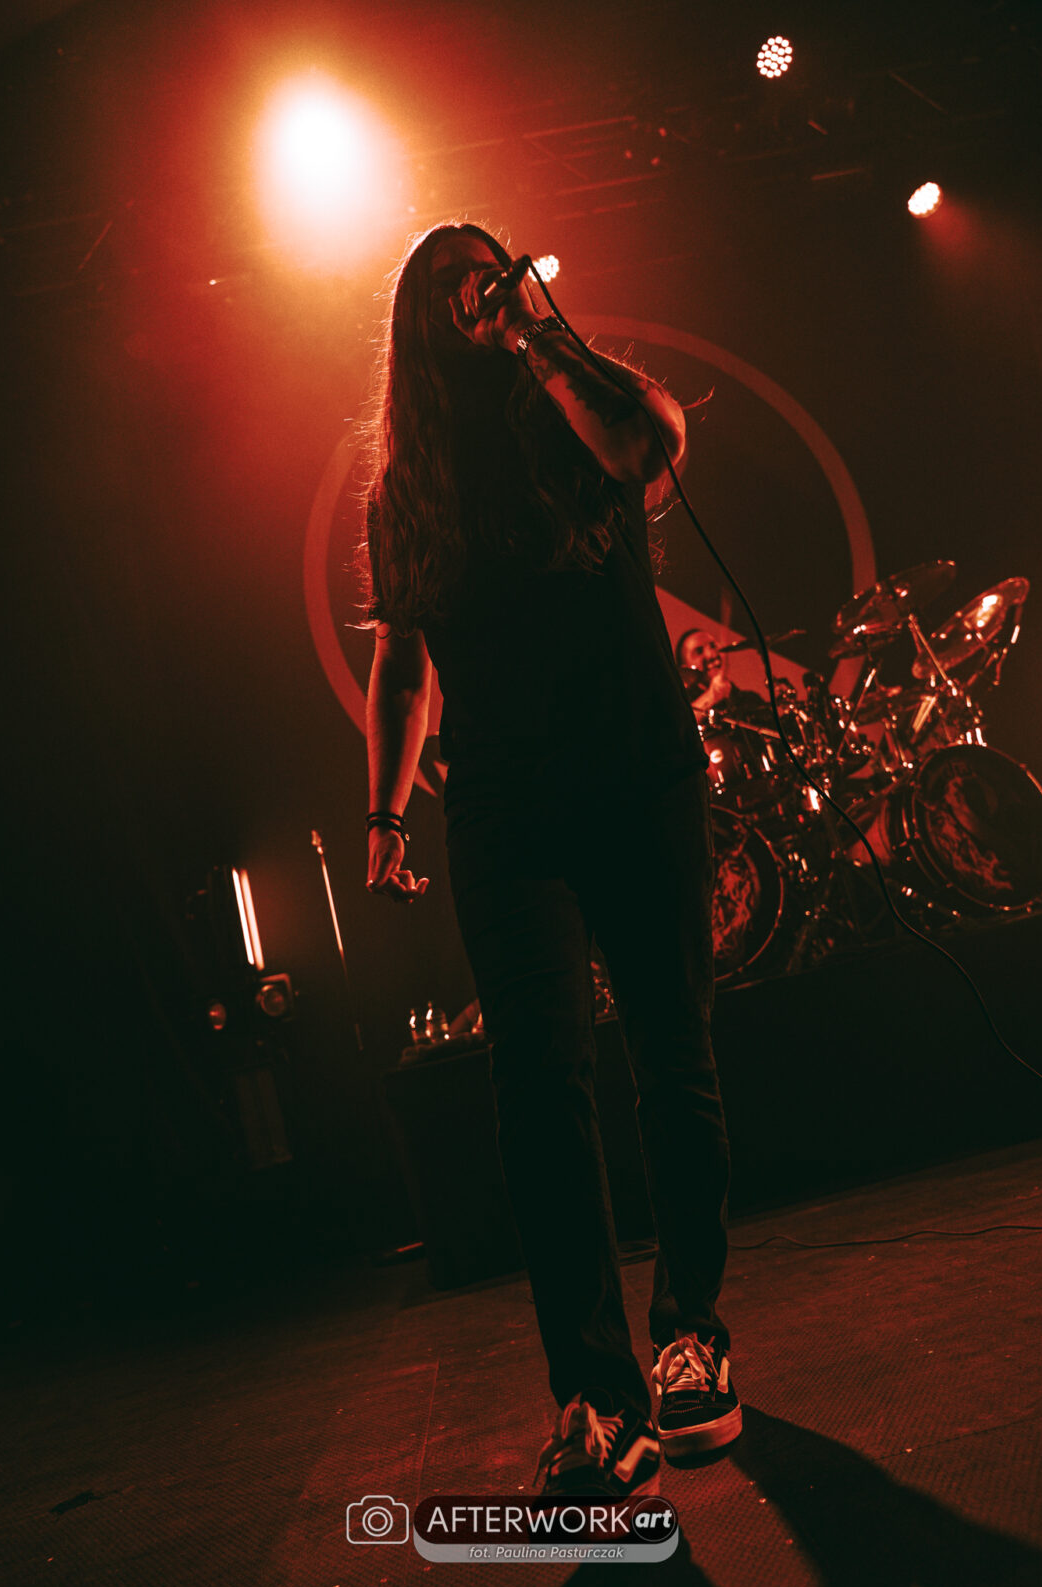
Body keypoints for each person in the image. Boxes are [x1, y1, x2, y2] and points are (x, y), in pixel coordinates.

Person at [360, 222, 741, 1503]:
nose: (477, 289)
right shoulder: (406, 488)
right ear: (418, 328)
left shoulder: (574, 411)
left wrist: (536, 335)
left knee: (672, 1054)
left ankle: (691, 1335)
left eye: (490, 266)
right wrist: (384, 813)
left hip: (637, 774)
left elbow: (648, 446)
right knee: (538, 1083)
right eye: (451, 284)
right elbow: (402, 660)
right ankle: (596, 1397)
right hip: (506, 808)